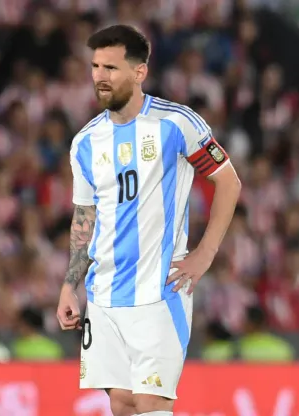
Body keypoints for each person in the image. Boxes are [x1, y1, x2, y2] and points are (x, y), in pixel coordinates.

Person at [55, 25, 241, 416]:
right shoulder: (85, 142)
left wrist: (206, 253)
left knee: (152, 403)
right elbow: (84, 216)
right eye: (95, 66)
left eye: (111, 67)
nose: (99, 77)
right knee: (121, 404)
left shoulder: (176, 124)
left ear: (139, 72)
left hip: (159, 289)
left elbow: (228, 181)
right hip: (104, 293)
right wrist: (71, 284)